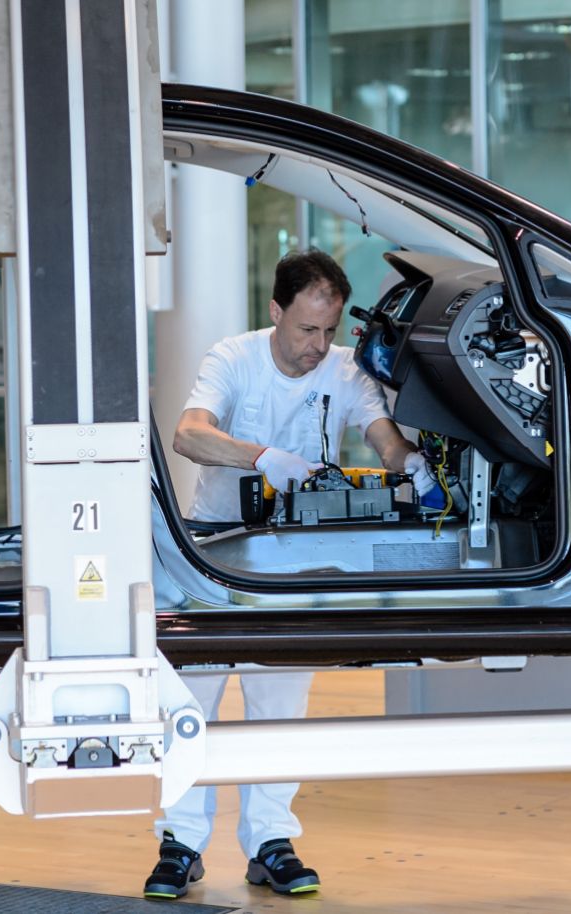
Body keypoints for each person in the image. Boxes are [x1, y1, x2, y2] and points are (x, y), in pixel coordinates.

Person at [143, 250, 437, 900]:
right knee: (192, 703)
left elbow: (382, 436)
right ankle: (180, 844)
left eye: (328, 330)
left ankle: (270, 841)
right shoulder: (234, 357)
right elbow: (189, 435)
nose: (317, 346)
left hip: (295, 563)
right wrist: (263, 457)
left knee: (279, 705)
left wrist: (410, 463)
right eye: (306, 329)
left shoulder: (342, 370)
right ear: (277, 312)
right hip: (212, 554)